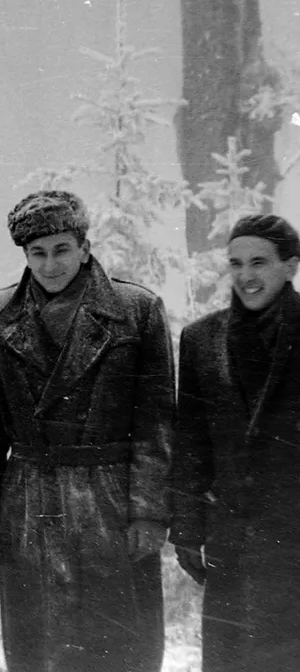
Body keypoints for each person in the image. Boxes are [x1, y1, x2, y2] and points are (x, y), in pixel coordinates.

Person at [0, 190, 174, 672]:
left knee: (121, 639)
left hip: (110, 500)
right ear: (25, 256)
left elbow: (156, 422)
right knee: (40, 643)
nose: (51, 264)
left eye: (61, 249)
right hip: (29, 502)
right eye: (38, 253)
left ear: (83, 246)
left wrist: (150, 511)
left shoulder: (136, 310)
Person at [171, 213, 300, 672]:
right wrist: (185, 529)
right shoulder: (201, 340)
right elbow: (190, 440)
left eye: (259, 262)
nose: (246, 276)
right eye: (236, 263)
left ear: (291, 266)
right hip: (233, 542)